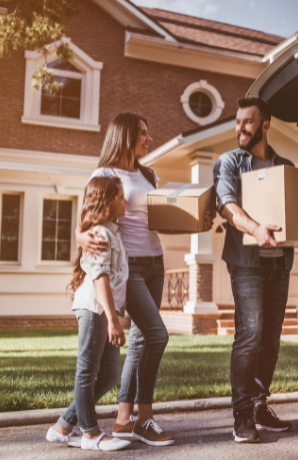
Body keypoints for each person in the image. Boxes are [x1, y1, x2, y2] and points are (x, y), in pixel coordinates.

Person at [76, 112, 213, 447]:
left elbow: (155, 221)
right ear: (125, 135)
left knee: (140, 339)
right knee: (157, 335)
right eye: (143, 133)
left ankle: (125, 418)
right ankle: (145, 417)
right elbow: (87, 219)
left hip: (155, 261)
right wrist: (81, 240)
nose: (149, 139)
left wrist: (197, 223)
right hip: (130, 267)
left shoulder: (148, 173)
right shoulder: (104, 174)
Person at [213, 97, 295, 443]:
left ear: (265, 126)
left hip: (280, 264)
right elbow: (226, 204)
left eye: (247, 122)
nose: (240, 128)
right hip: (247, 264)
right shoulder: (230, 162)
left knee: (271, 339)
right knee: (250, 335)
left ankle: (260, 404)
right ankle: (242, 412)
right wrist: (256, 228)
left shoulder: (284, 166)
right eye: (237, 122)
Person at [46, 176, 131, 451]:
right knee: (87, 371)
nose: (125, 200)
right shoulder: (100, 234)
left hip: (103, 309)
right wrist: (113, 319)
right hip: (94, 308)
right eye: (121, 196)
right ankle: (90, 434)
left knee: (108, 375)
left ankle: (62, 427)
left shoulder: (111, 230)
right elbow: (100, 278)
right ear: (108, 201)